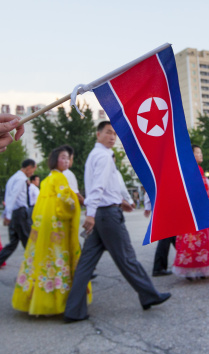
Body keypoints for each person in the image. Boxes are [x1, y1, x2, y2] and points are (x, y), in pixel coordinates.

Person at [64, 121, 171, 322]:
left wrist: (120, 203)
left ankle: (73, 310)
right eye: (108, 132)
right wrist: (91, 213)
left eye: (115, 134)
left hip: (104, 213)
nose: (112, 137)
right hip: (107, 217)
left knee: (86, 263)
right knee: (127, 258)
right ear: (98, 134)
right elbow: (97, 187)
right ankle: (149, 294)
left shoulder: (95, 155)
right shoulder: (103, 156)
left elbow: (105, 188)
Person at [12, 146, 92, 315]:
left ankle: (36, 296)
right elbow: (67, 203)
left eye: (67, 158)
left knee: (42, 259)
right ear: (55, 159)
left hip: (44, 226)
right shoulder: (60, 178)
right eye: (63, 157)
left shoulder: (47, 179)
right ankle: (59, 300)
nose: (66, 161)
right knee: (58, 258)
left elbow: (38, 206)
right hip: (58, 227)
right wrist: (76, 207)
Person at [172, 145, 209, 278]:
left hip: (189, 213)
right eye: (198, 153)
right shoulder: (196, 172)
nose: (201, 155)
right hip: (199, 214)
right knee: (200, 242)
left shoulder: (185, 172)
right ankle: (201, 269)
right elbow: (206, 194)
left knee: (191, 243)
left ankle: (193, 271)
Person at [0, 159, 37, 266]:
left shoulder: (14, 178)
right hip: (19, 214)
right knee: (29, 241)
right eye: (33, 170)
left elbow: (8, 196)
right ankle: (34, 266)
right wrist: (8, 215)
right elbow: (13, 196)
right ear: (29, 167)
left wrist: (8, 213)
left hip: (14, 214)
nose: (32, 173)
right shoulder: (21, 179)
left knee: (13, 243)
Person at [144, 192, 175, 277]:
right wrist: (147, 206)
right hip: (166, 206)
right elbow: (151, 186)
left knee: (173, 236)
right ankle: (158, 268)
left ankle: (187, 262)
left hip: (169, 205)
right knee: (167, 237)